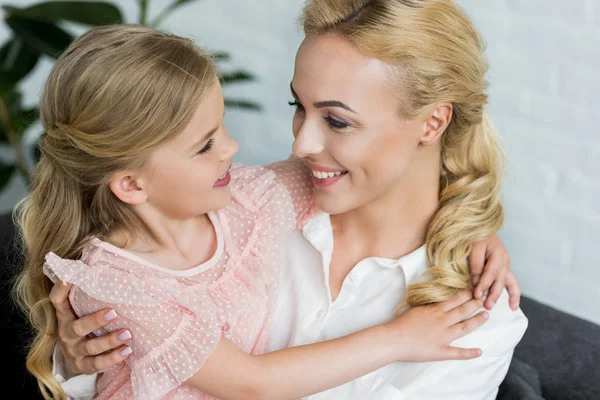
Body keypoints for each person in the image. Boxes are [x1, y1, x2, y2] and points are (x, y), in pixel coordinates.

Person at [12, 22, 513, 400]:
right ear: (130, 183)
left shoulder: (254, 204)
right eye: (297, 106)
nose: (300, 144)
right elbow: (250, 383)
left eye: (337, 120)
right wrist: (80, 365)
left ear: (433, 122)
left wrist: (467, 230)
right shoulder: (257, 209)